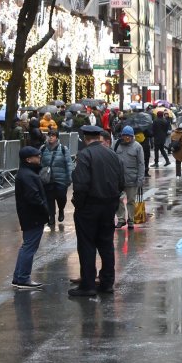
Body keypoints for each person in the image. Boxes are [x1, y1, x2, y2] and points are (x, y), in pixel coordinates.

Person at [70, 125, 125, 296]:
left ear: (86, 138)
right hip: (108, 205)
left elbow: (81, 184)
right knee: (106, 244)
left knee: (87, 245)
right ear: (100, 138)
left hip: (89, 206)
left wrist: (79, 205)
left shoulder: (85, 155)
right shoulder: (112, 154)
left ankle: (88, 284)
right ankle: (107, 282)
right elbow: (121, 181)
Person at [12, 146, 50, 290]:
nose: (39, 157)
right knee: (29, 247)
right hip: (33, 216)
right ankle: (22, 278)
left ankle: (19, 277)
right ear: (28, 159)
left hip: (30, 216)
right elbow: (33, 198)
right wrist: (45, 210)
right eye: (36, 156)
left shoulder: (26, 173)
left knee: (27, 246)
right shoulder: (28, 175)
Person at [113, 126, 144, 230]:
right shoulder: (116, 144)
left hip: (132, 179)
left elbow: (141, 164)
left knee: (131, 201)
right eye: (124, 136)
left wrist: (140, 179)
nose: (126, 138)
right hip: (118, 179)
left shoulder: (137, 147)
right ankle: (121, 219)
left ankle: (131, 220)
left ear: (132, 136)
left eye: (128, 136)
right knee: (118, 199)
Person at [40, 130, 73, 227]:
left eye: (53, 136)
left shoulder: (63, 149)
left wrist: (69, 177)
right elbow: (39, 163)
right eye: (49, 135)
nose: (50, 137)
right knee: (49, 198)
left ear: (57, 138)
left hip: (61, 179)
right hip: (47, 179)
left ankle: (61, 209)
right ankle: (51, 217)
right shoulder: (43, 148)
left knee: (61, 197)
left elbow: (68, 163)